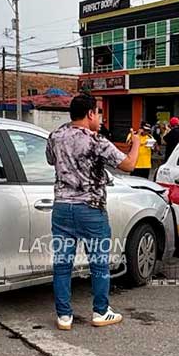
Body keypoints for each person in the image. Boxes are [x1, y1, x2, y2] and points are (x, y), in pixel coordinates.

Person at [46, 93, 138, 331]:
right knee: (98, 263)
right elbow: (128, 165)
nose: (100, 119)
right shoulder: (96, 141)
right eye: (99, 114)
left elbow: (50, 160)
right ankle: (100, 311)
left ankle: (64, 316)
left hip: (61, 208)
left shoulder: (55, 136)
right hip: (90, 209)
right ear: (90, 114)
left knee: (62, 264)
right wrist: (136, 145)